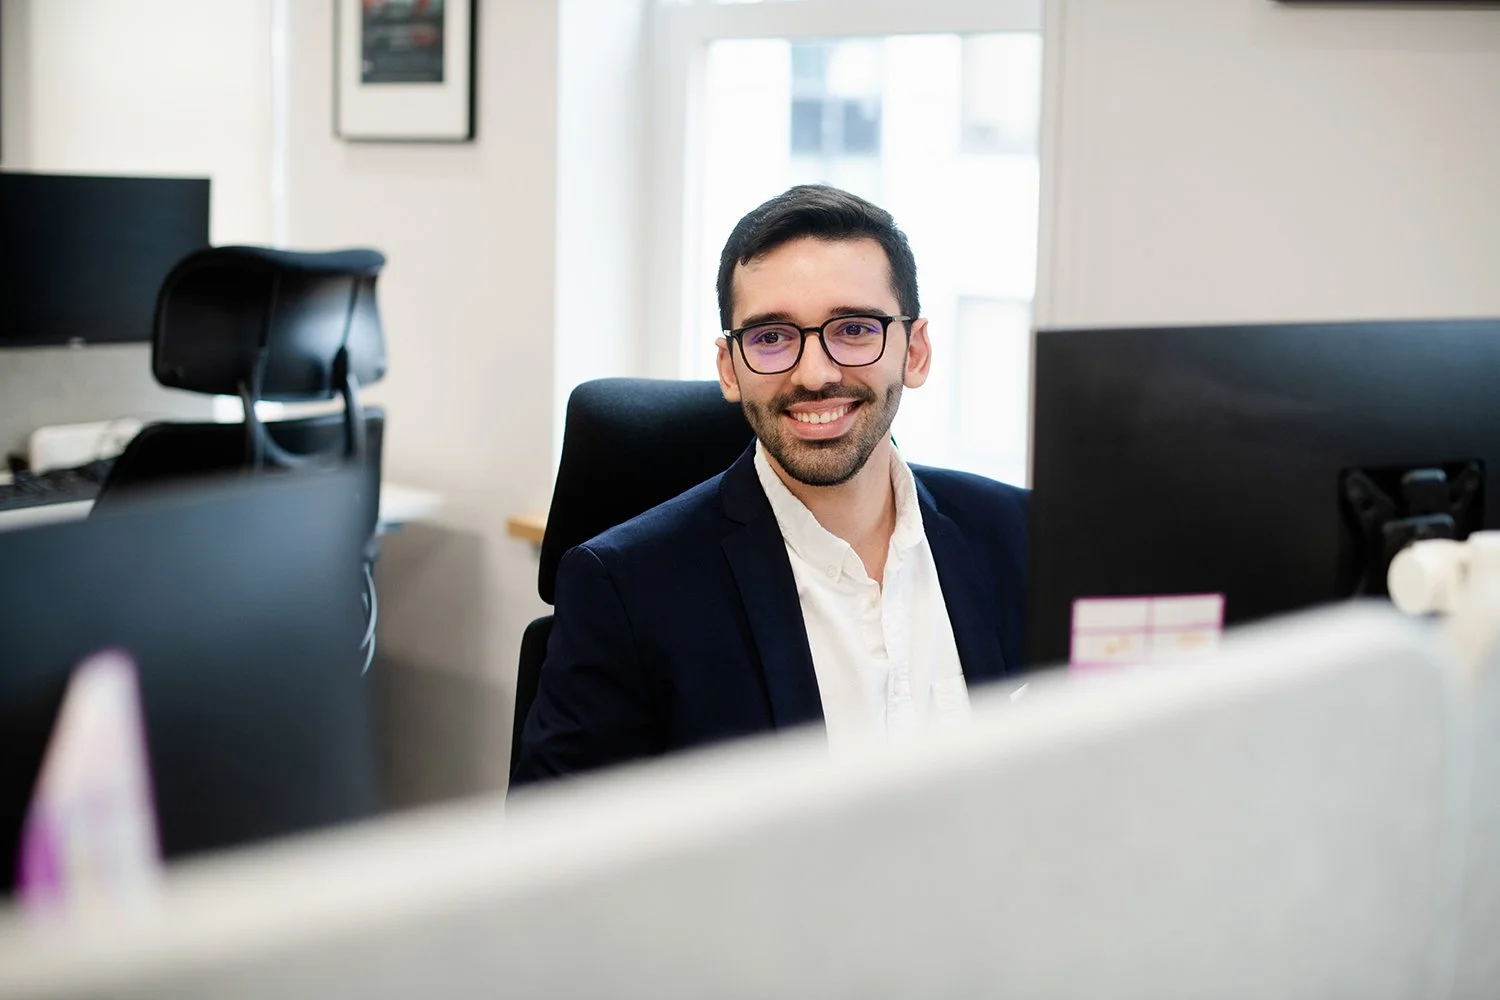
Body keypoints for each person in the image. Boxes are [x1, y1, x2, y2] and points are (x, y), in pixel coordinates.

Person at [512, 184, 1028, 785]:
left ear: (915, 351)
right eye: (771, 337)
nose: (815, 373)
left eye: (855, 329)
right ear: (730, 369)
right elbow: (556, 860)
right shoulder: (627, 591)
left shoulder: (1026, 537)